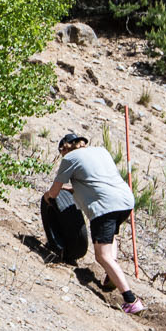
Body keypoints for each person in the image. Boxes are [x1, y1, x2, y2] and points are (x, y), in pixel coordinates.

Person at [42, 131, 143, 314]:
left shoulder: (69, 158)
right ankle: (112, 273)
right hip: (125, 201)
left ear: (64, 148)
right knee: (109, 237)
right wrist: (72, 190)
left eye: (61, 151)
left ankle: (131, 300)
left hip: (104, 206)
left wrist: (47, 197)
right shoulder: (101, 151)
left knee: (101, 256)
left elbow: (54, 192)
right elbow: (96, 181)